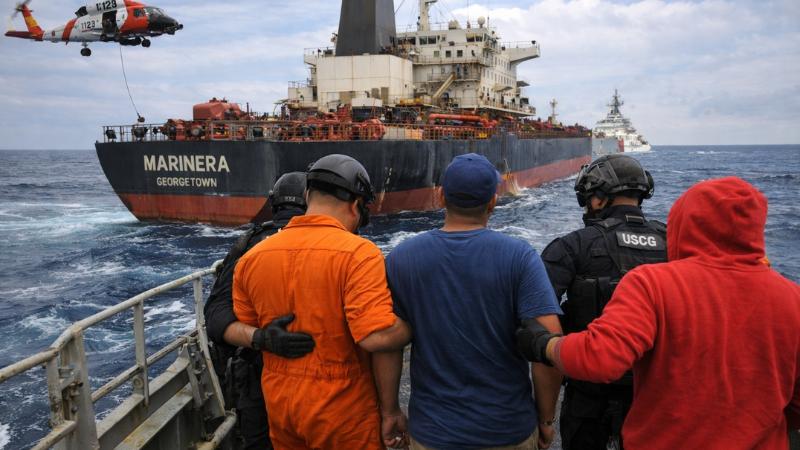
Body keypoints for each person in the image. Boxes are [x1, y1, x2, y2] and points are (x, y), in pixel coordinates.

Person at [517, 176, 800, 449]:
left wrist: (545, 345)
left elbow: (601, 357)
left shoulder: (653, 283)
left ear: (685, 223)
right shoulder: (792, 296)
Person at [384, 153, 564, 450]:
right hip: (509, 431)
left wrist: (390, 410)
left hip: (432, 433)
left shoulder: (401, 257)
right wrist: (546, 420)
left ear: (441, 196)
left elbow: (387, 341)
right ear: (493, 202)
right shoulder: (520, 257)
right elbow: (548, 342)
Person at [233, 154, 412, 450]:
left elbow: (246, 325)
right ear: (356, 205)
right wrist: (413, 324)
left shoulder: (252, 258)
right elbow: (376, 337)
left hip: (280, 406)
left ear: (307, 196)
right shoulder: (359, 254)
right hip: (342, 410)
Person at [539, 154, 666, 450]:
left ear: (597, 199)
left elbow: (540, 321)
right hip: (656, 401)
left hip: (588, 400)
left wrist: (545, 419)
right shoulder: (674, 242)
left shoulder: (571, 246)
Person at [204, 171, 315, 449]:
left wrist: (261, 338)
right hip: (323, 385)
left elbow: (215, 316)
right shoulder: (339, 245)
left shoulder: (249, 245)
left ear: (273, 203)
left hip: (259, 380)